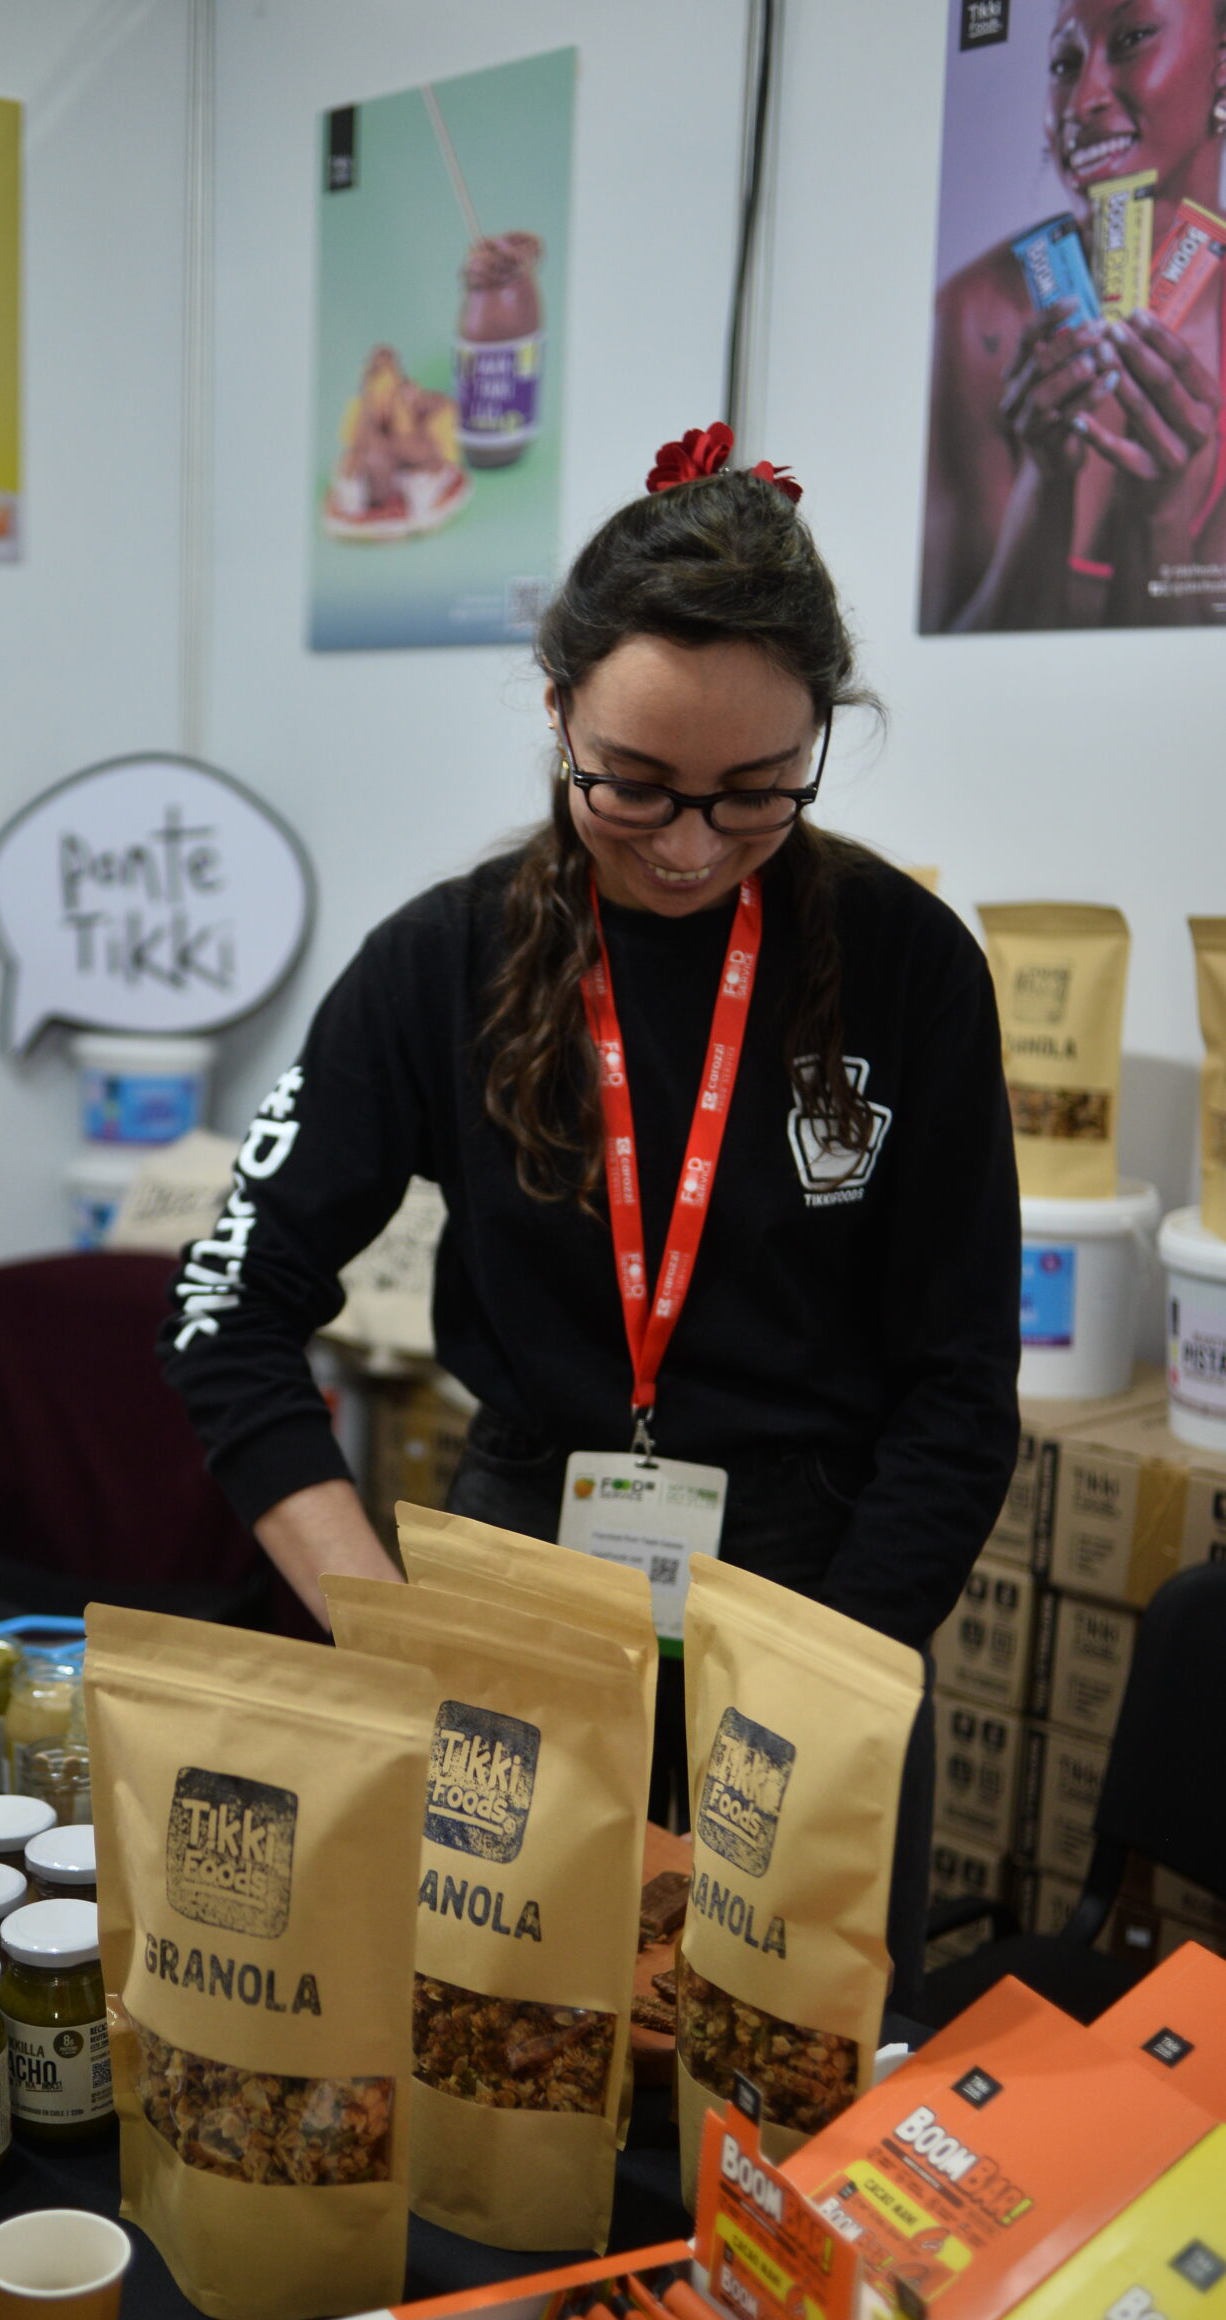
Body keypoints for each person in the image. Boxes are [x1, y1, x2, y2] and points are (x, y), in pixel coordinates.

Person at [163, 431, 1022, 2015]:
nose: (689, 845)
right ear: (557, 712)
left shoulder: (907, 968)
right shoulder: (440, 963)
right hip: (520, 1590)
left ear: (821, 736)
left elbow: (961, 1385)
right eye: (632, 785)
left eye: (754, 795)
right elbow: (226, 1307)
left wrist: (827, 1682)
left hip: (819, 1585)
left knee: (778, 2085)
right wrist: (385, 1627)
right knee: (505, 2062)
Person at [924, 0, 1226, 630]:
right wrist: (1045, 480)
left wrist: (1161, 515)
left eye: (1132, 37)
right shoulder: (979, 314)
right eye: (1064, 63)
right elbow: (945, 650)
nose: (1080, 101)